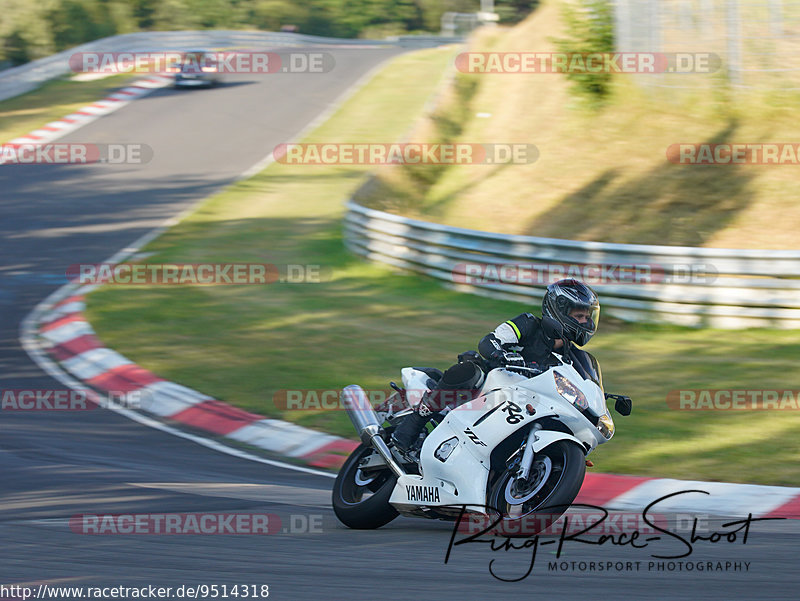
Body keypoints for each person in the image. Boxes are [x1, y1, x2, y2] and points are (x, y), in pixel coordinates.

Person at [391, 279, 600, 454]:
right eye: (579, 316)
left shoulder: (575, 357)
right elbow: (490, 341)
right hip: (491, 385)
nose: (585, 322)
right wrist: (502, 353)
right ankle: (415, 421)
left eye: (587, 317)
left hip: (524, 404)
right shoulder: (528, 324)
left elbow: (583, 384)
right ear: (559, 311)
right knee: (470, 371)